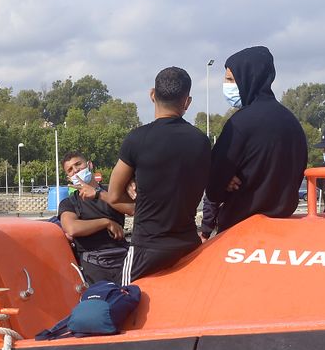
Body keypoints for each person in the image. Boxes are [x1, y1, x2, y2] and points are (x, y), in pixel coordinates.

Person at [103, 67, 210, 282]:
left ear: (152, 95)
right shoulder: (201, 141)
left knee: (125, 304)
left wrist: (142, 207)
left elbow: (113, 196)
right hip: (188, 246)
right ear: (187, 102)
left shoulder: (137, 139)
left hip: (147, 248)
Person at [203, 46, 307, 235]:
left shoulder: (240, 123)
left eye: (230, 80)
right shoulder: (292, 122)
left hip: (241, 229)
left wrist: (224, 180)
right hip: (284, 229)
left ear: (247, 78)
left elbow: (213, 185)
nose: (226, 86)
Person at [57, 150, 130, 284]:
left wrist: (98, 194)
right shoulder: (69, 203)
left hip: (123, 259)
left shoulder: (112, 193)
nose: (75, 170)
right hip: (93, 264)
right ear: (68, 177)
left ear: (89, 165)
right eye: (70, 170)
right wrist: (106, 222)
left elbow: (134, 209)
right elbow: (72, 228)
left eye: (78, 164)